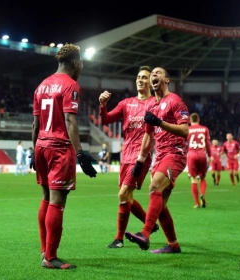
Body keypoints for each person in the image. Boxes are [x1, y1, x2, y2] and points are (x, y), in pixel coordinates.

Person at [31, 43, 97, 270]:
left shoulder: (41, 86)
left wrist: (33, 150)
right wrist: (80, 154)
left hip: (41, 145)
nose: (83, 66)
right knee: (58, 203)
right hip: (59, 148)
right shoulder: (71, 85)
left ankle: (44, 250)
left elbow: (35, 124)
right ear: (75, 62)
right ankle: (50, 257)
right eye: (82, 63)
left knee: (46, 198)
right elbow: (70, 121)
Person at [125, 67, 190, 254]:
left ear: (167, 80)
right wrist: (140, 160)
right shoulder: (152, 107)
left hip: (174, 153)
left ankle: (145, 234)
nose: (154, 75)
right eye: (152, 73)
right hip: (159, 156)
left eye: (158, 73)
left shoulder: (175, 101)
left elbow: (185, 131)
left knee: (153, 188)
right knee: (160, 206)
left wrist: (160, 123)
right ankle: (173, 245)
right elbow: (148, 137)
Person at [99, 65, 159, 249]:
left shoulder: (155, 103)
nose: (140, 80)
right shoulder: (126, 103)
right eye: (138, 77)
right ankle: (150, 224)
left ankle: (119, 239)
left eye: (144, 77)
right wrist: (102, 105)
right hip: (126, 154)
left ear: (150, 82)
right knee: (127, 197)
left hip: (141, 155)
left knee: (123, 194)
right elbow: (106, 120)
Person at [186, 113, 211, 209]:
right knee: (203, 178)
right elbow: (208, 143)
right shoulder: (205, 129)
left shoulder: (187, 129)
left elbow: (183, 143)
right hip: (202, 154)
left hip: (191, 154)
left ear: (189, 120)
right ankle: (203, 195)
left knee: (193, 179)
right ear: (199, 119)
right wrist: (210, 156)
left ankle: (196, 203)